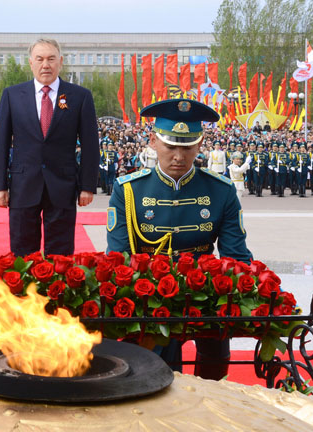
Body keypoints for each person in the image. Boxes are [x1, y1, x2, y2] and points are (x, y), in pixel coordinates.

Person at [106, 98, 253, 381]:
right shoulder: (128, 190)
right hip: (150, 296)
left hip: (205, 294)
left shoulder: (221, 190)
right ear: (153, 142)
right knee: (157, 375)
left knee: (215, 362)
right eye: (170, 146)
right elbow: (119, 256)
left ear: (200, 145)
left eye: (187, 147)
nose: (178, 156)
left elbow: (236, 256)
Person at [0, 38, 99, 256]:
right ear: (31, 63)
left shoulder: (80, 96)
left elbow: (90, 145)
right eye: (39, 59)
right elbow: (1, 143)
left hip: (63, 185)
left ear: (60, 62)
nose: (45, 65)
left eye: (51, 59)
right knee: (22, 253)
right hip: (23, 185)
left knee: (61, 255)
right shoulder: (12, 95)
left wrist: (87, 186)